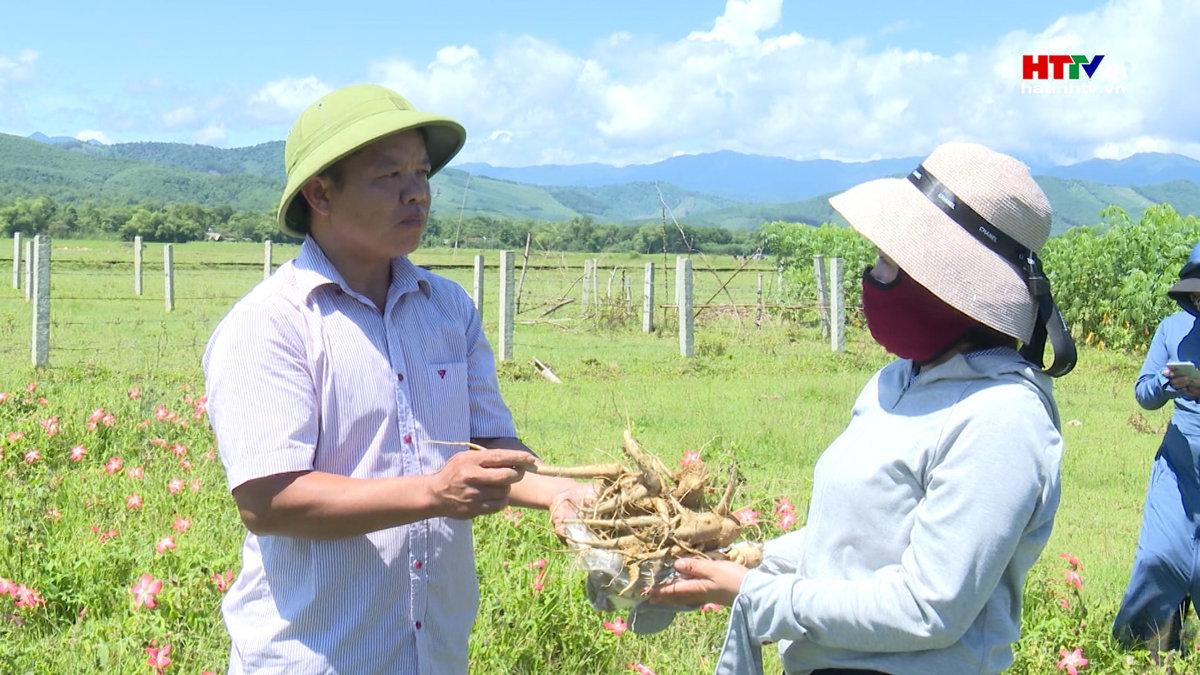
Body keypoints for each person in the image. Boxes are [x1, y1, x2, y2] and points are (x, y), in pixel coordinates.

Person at [203, 83, 591, 674]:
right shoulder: (271, 324)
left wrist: (567, 494)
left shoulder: (448, 307)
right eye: (389, 176)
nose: (416, 194)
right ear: (320, 193)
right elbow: (267, 500)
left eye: (422, 173)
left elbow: (489, 448)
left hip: (432, 653)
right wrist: (433, 493)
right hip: (314, 656)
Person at [649, 141, 1077, 674]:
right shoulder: (893, 383)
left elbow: (929, 608)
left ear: (943, 284)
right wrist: (750, 560)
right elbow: (854, 542)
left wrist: (762, 595)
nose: (873, 277)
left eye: (888, 261)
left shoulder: (1001, 417)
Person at [1112, 242, 1200, 656]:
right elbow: (1144, 393)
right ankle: (1143, 653)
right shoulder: (1172, 329)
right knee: (1160, 557)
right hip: (1179, 469)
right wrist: (1168, 383)